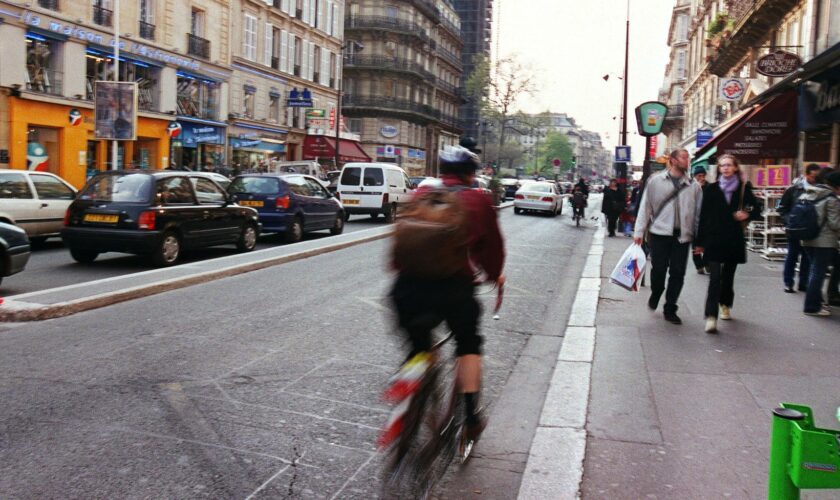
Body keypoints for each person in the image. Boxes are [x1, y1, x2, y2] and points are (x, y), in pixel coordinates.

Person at [390, 146, 505, 443]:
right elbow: (493, 252)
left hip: (406, 288)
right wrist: (493, 275)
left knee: (419, 347)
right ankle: (471, 417)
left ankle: (411, 384)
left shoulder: (421, 195)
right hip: (454, 289)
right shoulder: (478, 201)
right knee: (468, 345)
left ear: (442, 171)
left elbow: (397, 249)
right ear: (471, 174)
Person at [633, 148, 703, 325]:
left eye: (688, 158)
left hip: (682, 236)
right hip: (659, 234)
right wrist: (639, 232)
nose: (687, 161)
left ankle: (670, 307)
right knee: (658, 270)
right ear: (672, 160)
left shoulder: (694, 186)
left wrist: (698, 239)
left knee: (678, 273)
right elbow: (645, 207)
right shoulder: (656, 181)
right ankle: (657, 291)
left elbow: (697, 214)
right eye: (683, 158)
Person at [694, 154, 759, 333]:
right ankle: (711, 316)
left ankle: (725, 303)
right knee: (714, 278)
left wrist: (747, 214)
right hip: (714, 239)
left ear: (735, 168)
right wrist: (699, 242)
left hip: (733, 239)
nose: (726, 168)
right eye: (722, 166)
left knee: (728, 277)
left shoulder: (744, 189)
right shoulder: (711, 189)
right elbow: (703, 217)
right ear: (719, 169)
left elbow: (757, 209)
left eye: (729, 165)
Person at [800, 169, 840, 316]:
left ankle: (819, 301)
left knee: (815, 271)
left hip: (807, 238)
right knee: (818, 273)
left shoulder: (810, 192)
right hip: (824, 242)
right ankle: (811, 307)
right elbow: (835, 224)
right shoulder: (831, 199)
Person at [778, 163, 821, 293]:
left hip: (811, 230)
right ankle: (788, 283)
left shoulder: (820, 190)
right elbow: (782, 208)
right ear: (807, 175)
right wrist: (790, 221)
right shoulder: (794, 189)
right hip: (795, 229)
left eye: (817, 177)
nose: (815, 180)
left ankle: (803, 283)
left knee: (807, 258)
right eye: (813, 177)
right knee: (792, 256)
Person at [692, 165, 709, 274]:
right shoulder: (691, 187)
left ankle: (707, 263)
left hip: (707, 221)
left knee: (707, 244)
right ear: (695, 176)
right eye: (699, 176)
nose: (702, 178)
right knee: (695, 245)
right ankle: (699, 265)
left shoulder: (709, 187)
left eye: (703, 175)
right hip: (694, 222)